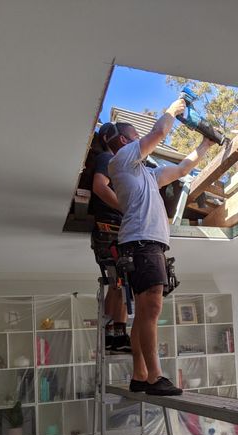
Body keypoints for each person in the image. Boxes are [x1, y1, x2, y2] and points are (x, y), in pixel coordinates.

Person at [105, 99, 214, 396]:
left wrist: (206, 145)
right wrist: (173, 108)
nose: (138, 139)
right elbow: (158, 134)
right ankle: (155, 377)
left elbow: (181, 169)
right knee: (151, 307)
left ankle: (140, 376)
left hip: (147, 243)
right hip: (142, 241)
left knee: (144, 311)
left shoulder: (148, 176)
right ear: (125, 141)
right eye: (134, 135)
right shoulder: (122, 160)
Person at [90, 123, 130, 354]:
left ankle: (113, 337)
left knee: (116, 285)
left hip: (108, 231)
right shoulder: (107, 158)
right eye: (132, 137)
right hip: (111, 229)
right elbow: (99, 186)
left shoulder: (110, 160)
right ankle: (118, 336)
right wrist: (127, 208)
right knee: (122, 284)